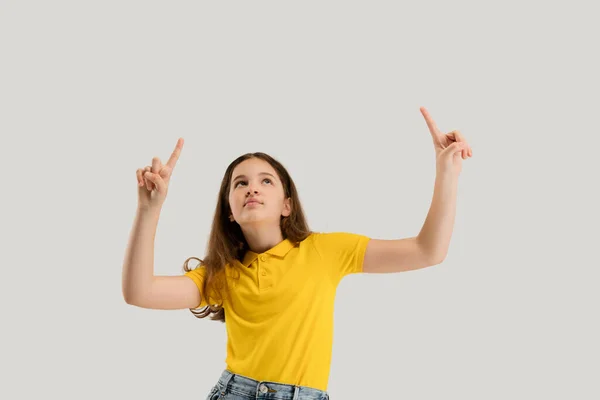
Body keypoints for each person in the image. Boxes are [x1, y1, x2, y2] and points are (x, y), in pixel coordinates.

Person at [121, 107, 472, 400]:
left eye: (266, 181)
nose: (252, 188)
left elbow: (428, 251)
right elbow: (140, 292)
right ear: (229, 209)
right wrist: (149, 210)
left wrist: (447, 172)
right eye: (239, 183)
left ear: (287, 205)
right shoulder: (222, 272)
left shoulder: (325, 250)